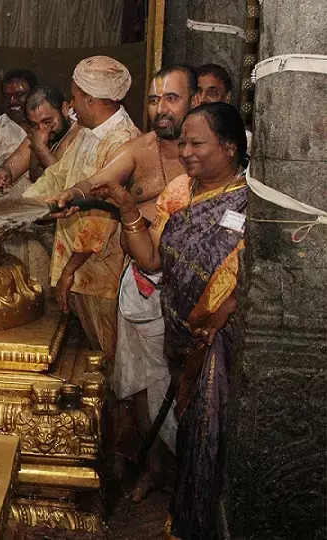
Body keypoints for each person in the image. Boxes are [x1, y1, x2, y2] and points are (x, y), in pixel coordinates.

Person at [90, 102, 248, 540]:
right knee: (194, 431)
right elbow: (153, 257)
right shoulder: (181, 191)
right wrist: (125, 206)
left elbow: (261, 272)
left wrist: (225, 310)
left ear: (231, 148)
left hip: (221, 340)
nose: (187, 151)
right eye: (184, 143)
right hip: (183, 335)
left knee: (208, 435)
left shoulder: (250, 200)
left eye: (198, 143)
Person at [50, 64, 200, 501]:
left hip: (192, 289)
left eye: (171, 98)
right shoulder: (140, 148)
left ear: (194, 102)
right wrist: (74, 196)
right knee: (136, 381)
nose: (161, 108)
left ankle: (188, 478)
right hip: (142, 281)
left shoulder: (209, 151)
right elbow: (97, 182)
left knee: (189, 387)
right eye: (154, 99)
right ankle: (151, 468)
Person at [0, 56, 141, 359]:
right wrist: (21, 208)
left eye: (75, 96)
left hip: (100, 275)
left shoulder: (123, 140)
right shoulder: (89, 133)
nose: (72, 104)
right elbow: (58, 176)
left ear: (92, 99)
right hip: (78, 267)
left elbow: (102, 216)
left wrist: (69, 271)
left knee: (108, 357)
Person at [196, 63, 252, 151]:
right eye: (198, 92)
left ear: (227, 97)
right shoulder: (179, 138)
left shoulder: (243, 140)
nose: (203, 99)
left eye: (212, 93)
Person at [0, 69, 38, 170]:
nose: (12, 101)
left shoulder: (46, 125)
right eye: (7, 96)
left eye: (19, 95)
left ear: (34, 95)